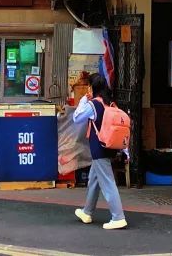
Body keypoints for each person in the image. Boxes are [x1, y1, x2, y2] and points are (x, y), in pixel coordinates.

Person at [72, 73, 127, 230]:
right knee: (93, 180)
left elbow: (77, 117)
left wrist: (84, 99)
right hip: (109, 146)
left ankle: (118, 217)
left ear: (92, 87)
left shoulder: (93, 104)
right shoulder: (110, 103)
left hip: (99, 148)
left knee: (108, 183)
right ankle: (87, 212)